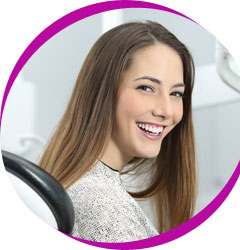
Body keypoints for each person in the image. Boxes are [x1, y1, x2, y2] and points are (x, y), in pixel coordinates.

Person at [39, 21, 197, 243]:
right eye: (146, 88)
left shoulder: (85, 185)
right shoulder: (101, 202)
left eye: (176, 93)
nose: (166, 111)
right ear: (103, 91)